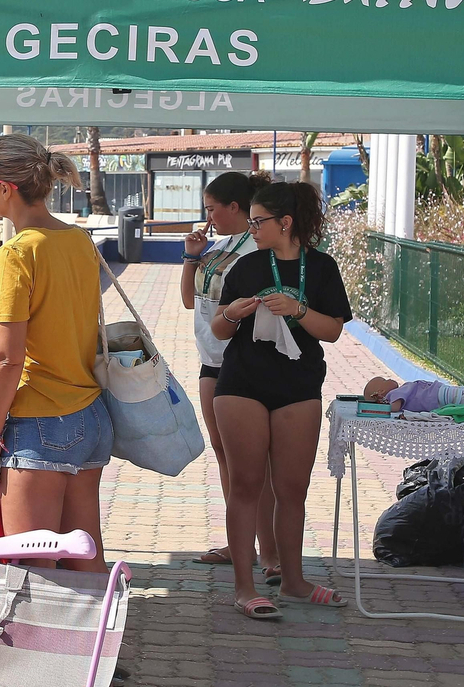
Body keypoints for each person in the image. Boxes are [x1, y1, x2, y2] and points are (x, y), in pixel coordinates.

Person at [211, 180, 353, 618]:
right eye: (250, 221)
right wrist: (233, 312)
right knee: (247, 484)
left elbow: (332, 330)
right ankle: (244, 587)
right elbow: (219, 329)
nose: (252, 228)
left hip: (298, 386)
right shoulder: (248, 266)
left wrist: (298, 311)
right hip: (242, 384)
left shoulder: (322, 268)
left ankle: (293, 580)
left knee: (293, 488)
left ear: (285, 223)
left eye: (258, 221)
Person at [0, 133, 110, 571]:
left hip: (39, 419)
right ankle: (95, 640)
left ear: (5, 188)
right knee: (84, 559)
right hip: (90, 413)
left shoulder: (19, 251)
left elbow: (6, 356)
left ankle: (48, 643)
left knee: (32, 572)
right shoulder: (78, 240)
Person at [180, 171, 278, 577]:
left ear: (234, 207)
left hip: (243, 360)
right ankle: (241, 541)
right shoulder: (215, 248)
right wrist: (190, 256)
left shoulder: (253, 251)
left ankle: (269, 548)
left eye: (212, 209)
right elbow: (190, 301)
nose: (208, 218)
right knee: (223, 452)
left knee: (256, 461)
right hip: (210, 359)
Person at [361, 377, 464, 413]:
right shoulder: (393, 394)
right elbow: (394, 407)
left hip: (437, 395)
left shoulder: (400, 390)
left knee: (459, 398)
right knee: (459, 396)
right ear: (380, 391)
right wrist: (381, 407)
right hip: (438, 394)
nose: (390, 379)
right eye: (385, 380)